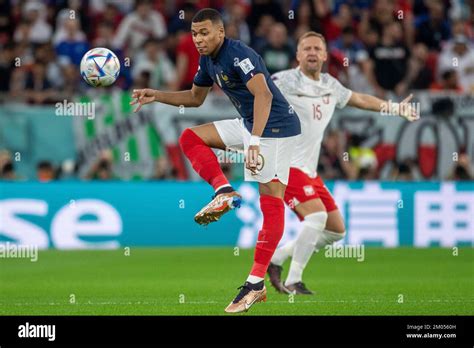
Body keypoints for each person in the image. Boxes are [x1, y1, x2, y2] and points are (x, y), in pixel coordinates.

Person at [130, 8, 301, 313]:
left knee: (270, 200)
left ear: (220, 32)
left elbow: (264, 96)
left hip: (275, 127)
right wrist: (155, 94)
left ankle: (255, 283)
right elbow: (196, 98)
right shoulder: (208, 60)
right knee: (190, 137)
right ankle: (224, 190)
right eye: (195, 34)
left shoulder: (239, 54)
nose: (198, 39)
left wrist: (256, 143)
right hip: (249, 123)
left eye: (205, 33)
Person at [267, 31, 419, 295]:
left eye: (317, 48)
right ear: (298, 55)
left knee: (335, 231)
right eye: (307, 48)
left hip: (309, 170)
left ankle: (277, 258)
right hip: (285, 165)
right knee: (316, 216)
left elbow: (360, 99)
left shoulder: (330, 84)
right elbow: (257, 95)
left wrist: (394, 108)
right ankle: (293, 279)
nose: (312, 53)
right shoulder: (283, 81)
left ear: (325, 55)